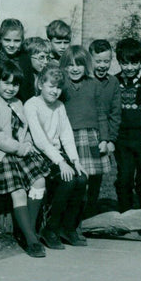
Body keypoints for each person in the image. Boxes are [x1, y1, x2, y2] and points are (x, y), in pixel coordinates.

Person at [0, 60, 50, 258]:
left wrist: (27, 144)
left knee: (40, 181)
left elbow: (24, 129)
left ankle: (27, 228)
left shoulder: (18, 103)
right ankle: (31, 240)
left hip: (20, 152)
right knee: (18, 191)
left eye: (15, 84)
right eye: (6, 83)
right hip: (2, 154)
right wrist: (19, 149)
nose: (11, 88)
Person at [24, 65, 88, 249]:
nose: (55, 91)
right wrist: (60, 162)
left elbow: (66, 134)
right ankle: (50, 228)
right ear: (40, 84)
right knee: (66, 181)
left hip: (57, 155)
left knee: (81, 179)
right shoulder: (32, 104)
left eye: (58, 87)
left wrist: (75, 161)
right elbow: (40, 139)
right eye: (51, 86)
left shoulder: (59, 106)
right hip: (39, 155)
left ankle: (67, 228)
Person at [59, 45, 111, 222]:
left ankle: (89, 216)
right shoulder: (61, 85)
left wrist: (104, 138)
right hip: (69, 138)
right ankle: (71, 219)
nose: (74, 69)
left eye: (79, 65)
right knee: (76, 181)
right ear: (64, 66)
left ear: (86, 65)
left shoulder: (94, 84)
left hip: (91, 137)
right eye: (70, 65)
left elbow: (101, 113)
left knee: (93, 181)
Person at [114, 38, 141, 213]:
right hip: (122, 138)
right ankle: (125, 214)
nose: (130, 67)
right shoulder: (114, 82)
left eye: (134, 62)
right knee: (124, 178)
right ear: (119, 62)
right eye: (125, 63)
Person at [89, 39, 122, 210]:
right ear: (90, 60)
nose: (102, 65)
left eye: (106, 61)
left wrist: (110, 140)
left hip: (103, 137)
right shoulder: (85, 80)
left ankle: (91, 212)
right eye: (98, 61)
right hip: (84, 134)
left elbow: (115, 114)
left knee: (97, 176)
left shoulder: (113, 83)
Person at [18, 37, 53, 102]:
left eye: (47, 58)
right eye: (41, 57)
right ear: (28, 57)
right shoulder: (23, 77)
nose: (46, 62)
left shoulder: (45, 75)